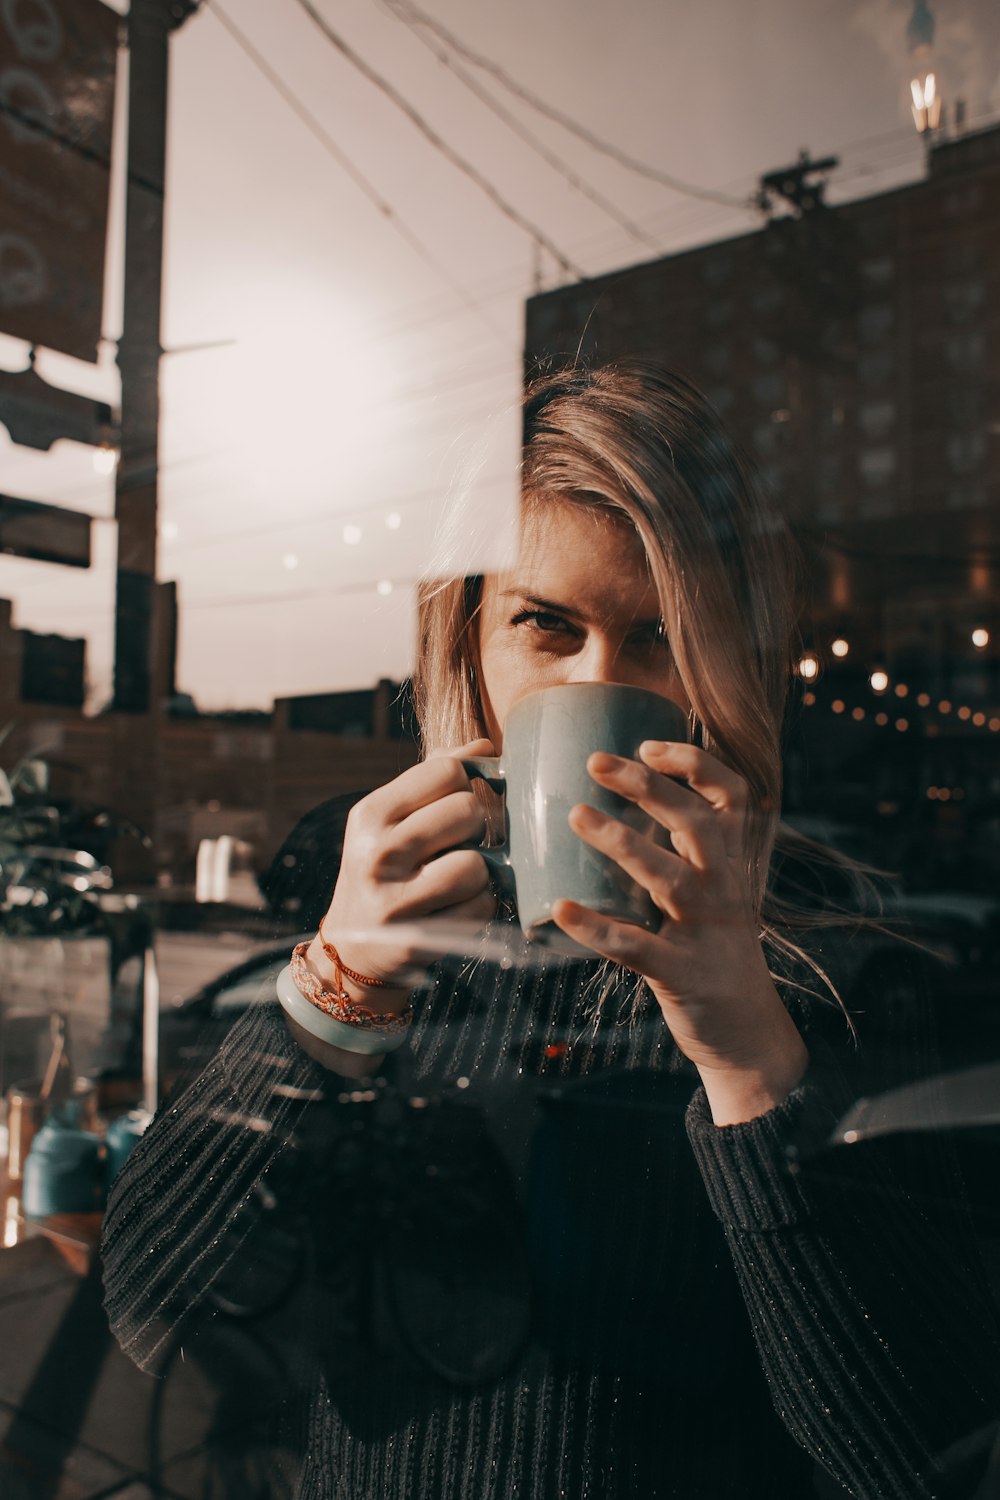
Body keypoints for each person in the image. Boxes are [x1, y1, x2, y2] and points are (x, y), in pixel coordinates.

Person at [102, 362, 1000, 1500]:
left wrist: (743, 1049)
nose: (598, 680)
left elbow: (923, 1456)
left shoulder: (848, 977)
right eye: (546, 624)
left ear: (729, 670)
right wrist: (335, 993)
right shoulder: (376, 926)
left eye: (659, 636)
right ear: (469, 646)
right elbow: (152, 1309)